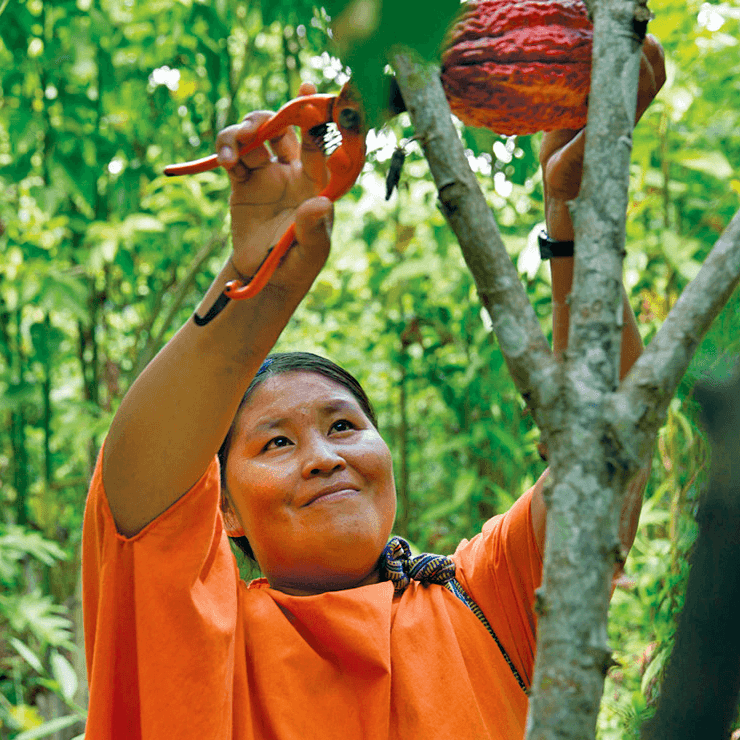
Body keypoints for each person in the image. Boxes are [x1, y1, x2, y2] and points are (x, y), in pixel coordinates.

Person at [82, 37, 665, 740]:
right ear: (226, 511)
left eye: (343, 426)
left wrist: (573, 208)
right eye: (275, 442)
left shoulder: (484, 596)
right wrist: (261, 287)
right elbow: (139, 494)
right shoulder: (204, 636)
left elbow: (610, 448)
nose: (324, 457)